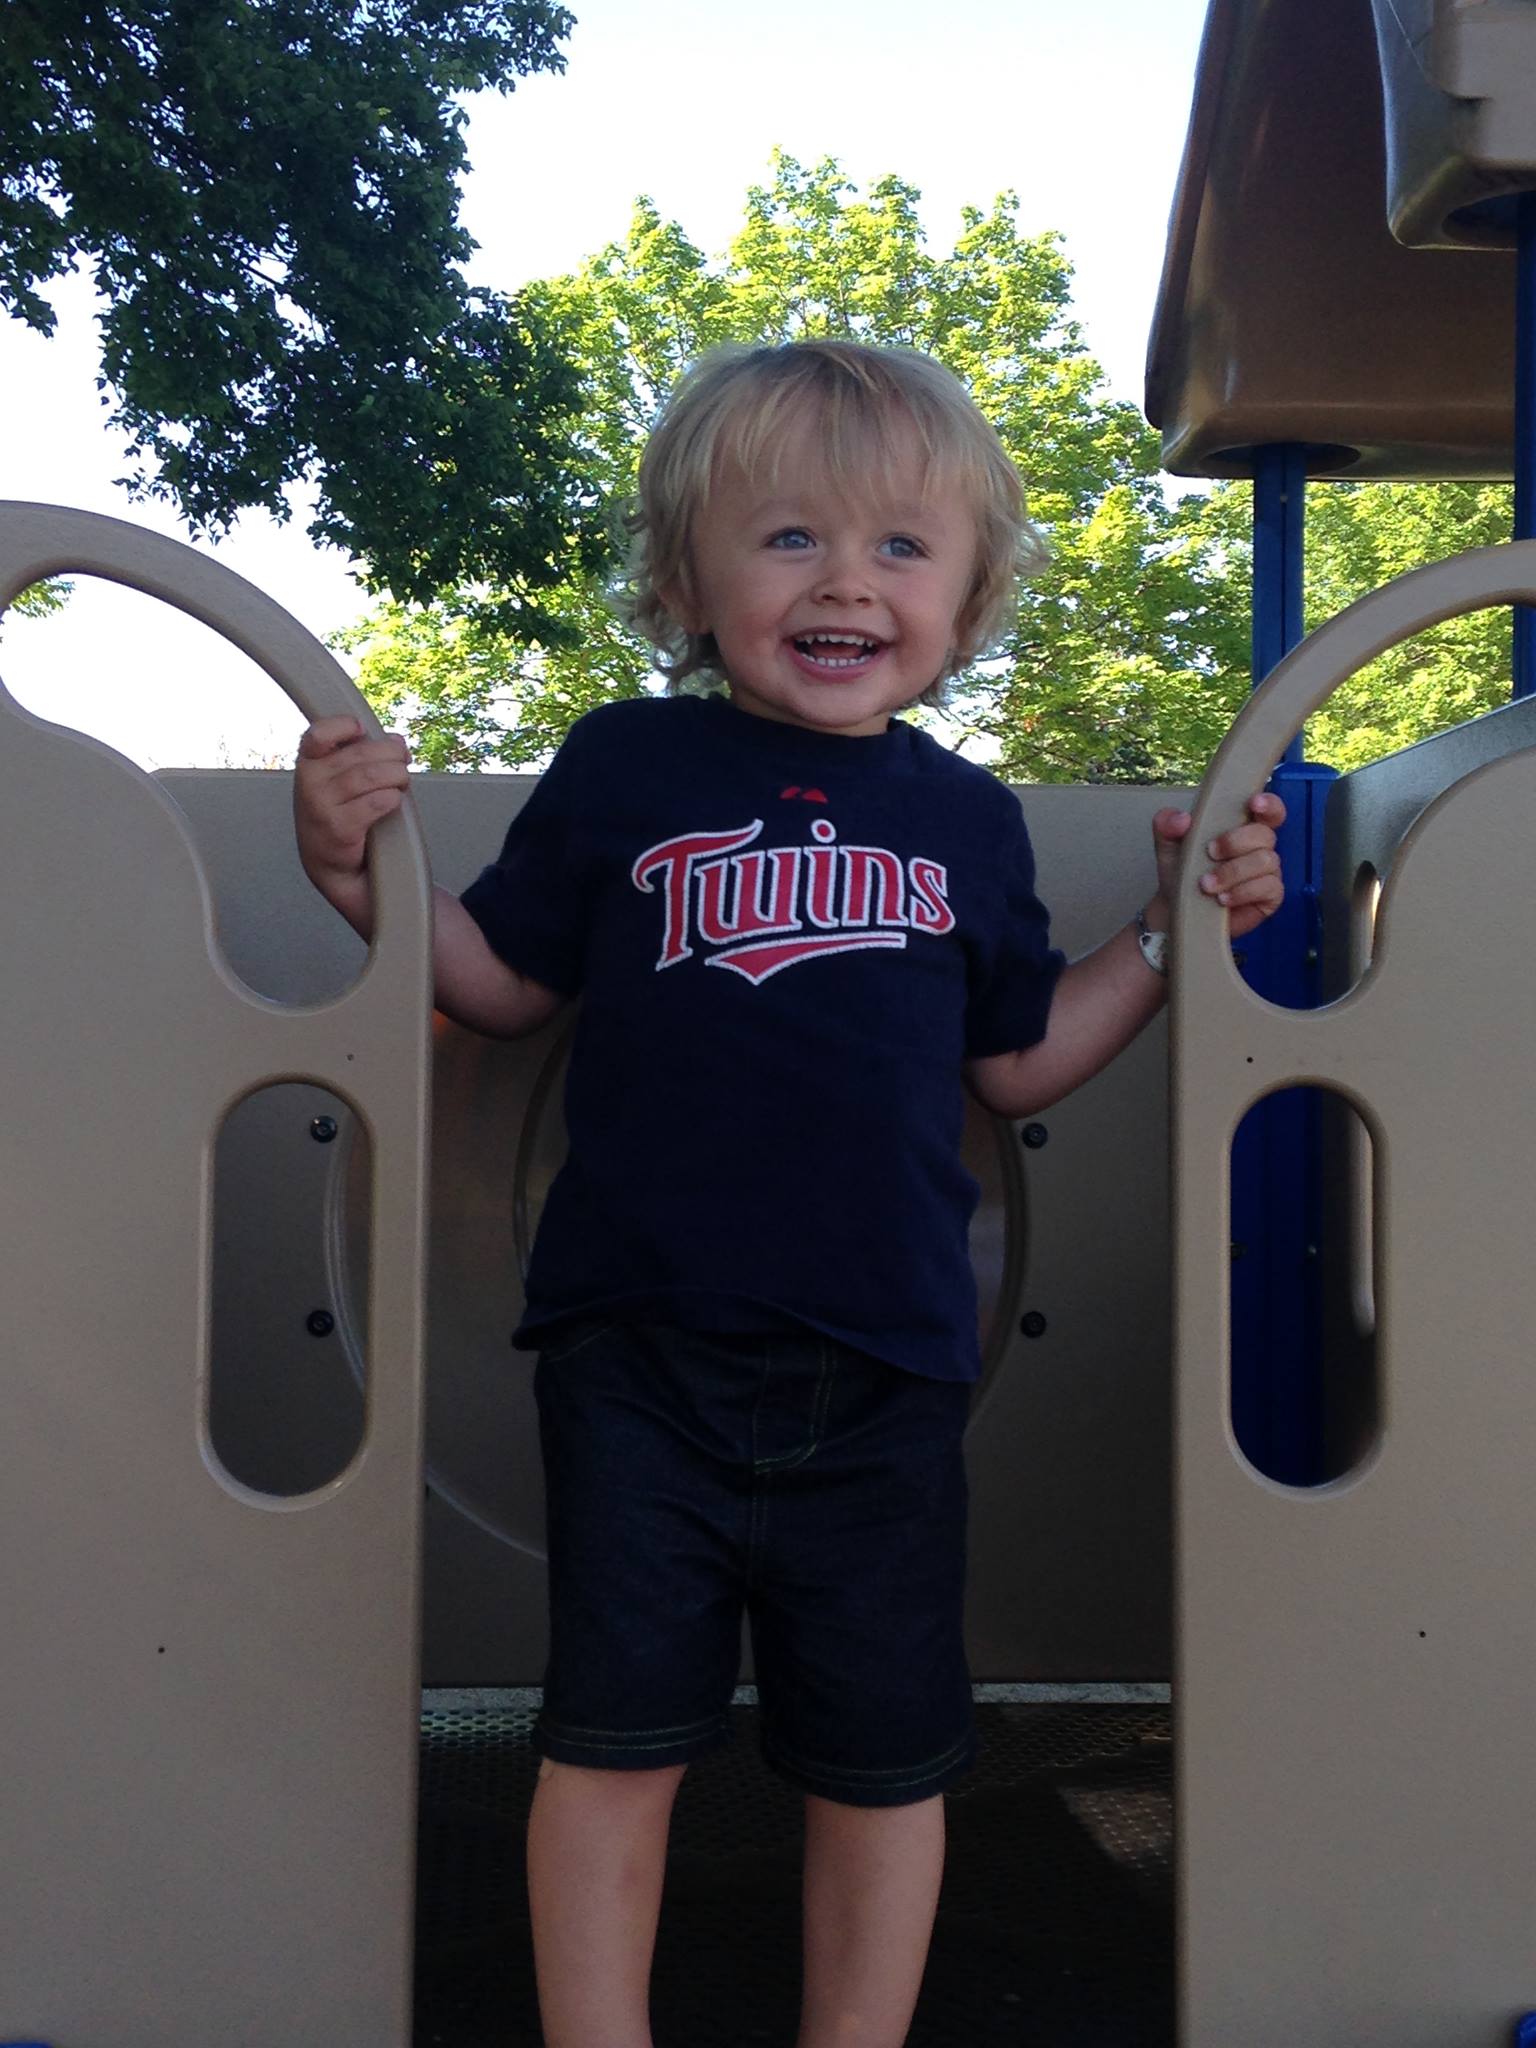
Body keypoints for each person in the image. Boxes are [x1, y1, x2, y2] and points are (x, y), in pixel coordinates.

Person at [293, 339, 1283, 2048]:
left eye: (902, 549)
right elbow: (496, 988)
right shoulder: (623, 768)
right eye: (788, 540)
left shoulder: (966, 818)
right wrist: (350, 872)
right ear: (686, 580)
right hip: (637, 1354)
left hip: (888, 1366)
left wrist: (1171, 937)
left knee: (886, 1755)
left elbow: (1022, 1061)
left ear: (969, 600)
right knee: (611, 1740)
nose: (846, 582)